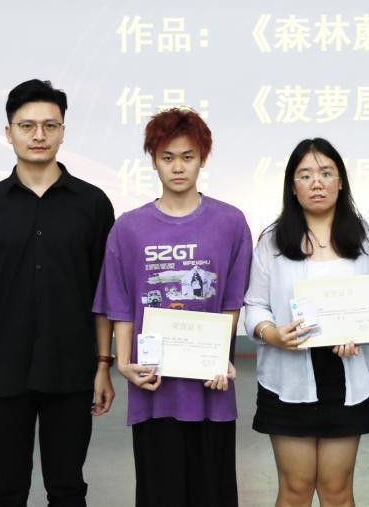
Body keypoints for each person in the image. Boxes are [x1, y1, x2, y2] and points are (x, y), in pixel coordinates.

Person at [0, 79, 116, 506]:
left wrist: (102, 366)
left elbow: (104, 296)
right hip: (3, 374)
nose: (39, 135)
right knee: (6, 489)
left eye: (49, 126)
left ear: (63, 132)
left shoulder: (93, 204)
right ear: (9, 133)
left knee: (68, 488)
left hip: (72, 371)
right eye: (27, 126)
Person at [93, 108, 252, 507]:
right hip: (154, 389)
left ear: (203, 159)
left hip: (210, 389)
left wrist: (219, 356)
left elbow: (231, 302)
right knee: (159, 494)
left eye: (187, 156)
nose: (178, 167)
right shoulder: (128, 228)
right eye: (167, 157)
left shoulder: (230, 223)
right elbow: (121, 305)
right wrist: (124, 363)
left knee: (213, 494)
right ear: (153, 161)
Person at [244, 138, 369, 507]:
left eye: (326, 173)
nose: (317, 183)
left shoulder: (367, 241)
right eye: (306, 175)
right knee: (295, 489)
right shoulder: (273, 242)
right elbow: (255, 305)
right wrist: (271, 334)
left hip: (346, 379)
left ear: (340, 182)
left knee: (337, 490)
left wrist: (360, 332)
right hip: (287, 381)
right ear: (292, 187)